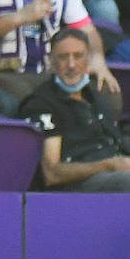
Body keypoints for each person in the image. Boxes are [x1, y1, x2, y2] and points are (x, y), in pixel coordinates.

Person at [19, 26, 130, 191]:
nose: (71, 65)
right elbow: (52, 172)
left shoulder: (97, 97)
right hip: (76, 187)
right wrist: (109, 165)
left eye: (78, 56)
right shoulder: (41, 104)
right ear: (52, 61)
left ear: (88, 59)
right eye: (63, 57)